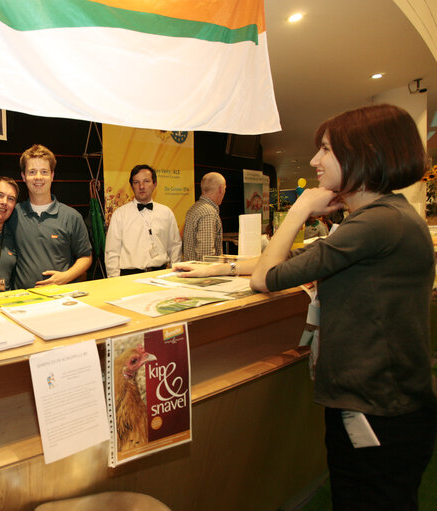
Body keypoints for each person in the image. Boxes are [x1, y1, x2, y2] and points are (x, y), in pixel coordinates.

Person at [173, 104, 437, 511]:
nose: (314, 160)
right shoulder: (385, 218)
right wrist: (221, 267)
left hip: (377, 409)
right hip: (387, 404)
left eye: (326, 149)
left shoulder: (374, 224)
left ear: (363, 154)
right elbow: (300, 260)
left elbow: (267, 276)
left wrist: (299, 208)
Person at [10, 144, 92, 288]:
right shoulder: (13, 214)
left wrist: (65, 277)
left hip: (63, 298)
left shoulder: (71, 216)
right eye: (32, 172)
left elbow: (86, 257)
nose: (38, 177)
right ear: (23, 176)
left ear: (52, 175)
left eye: (44, 172)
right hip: (23, 301)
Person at [104, 164, 182, 277]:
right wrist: (114, 280)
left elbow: (175, 246)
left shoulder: (166, 212)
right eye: (136, 182)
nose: (141, 186)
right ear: (132, 186)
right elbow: (112, 252)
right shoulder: (120, 215)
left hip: (161, 275)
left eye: (146, 181)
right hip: (129, 278)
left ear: (154, 184)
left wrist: (175, 275)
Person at [181, 172, 226, 261]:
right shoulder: (208, 212)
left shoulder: (194, 208)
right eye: (225, 188)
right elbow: (206, 256)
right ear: (221, 189)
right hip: (203, 273)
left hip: (192, 270)